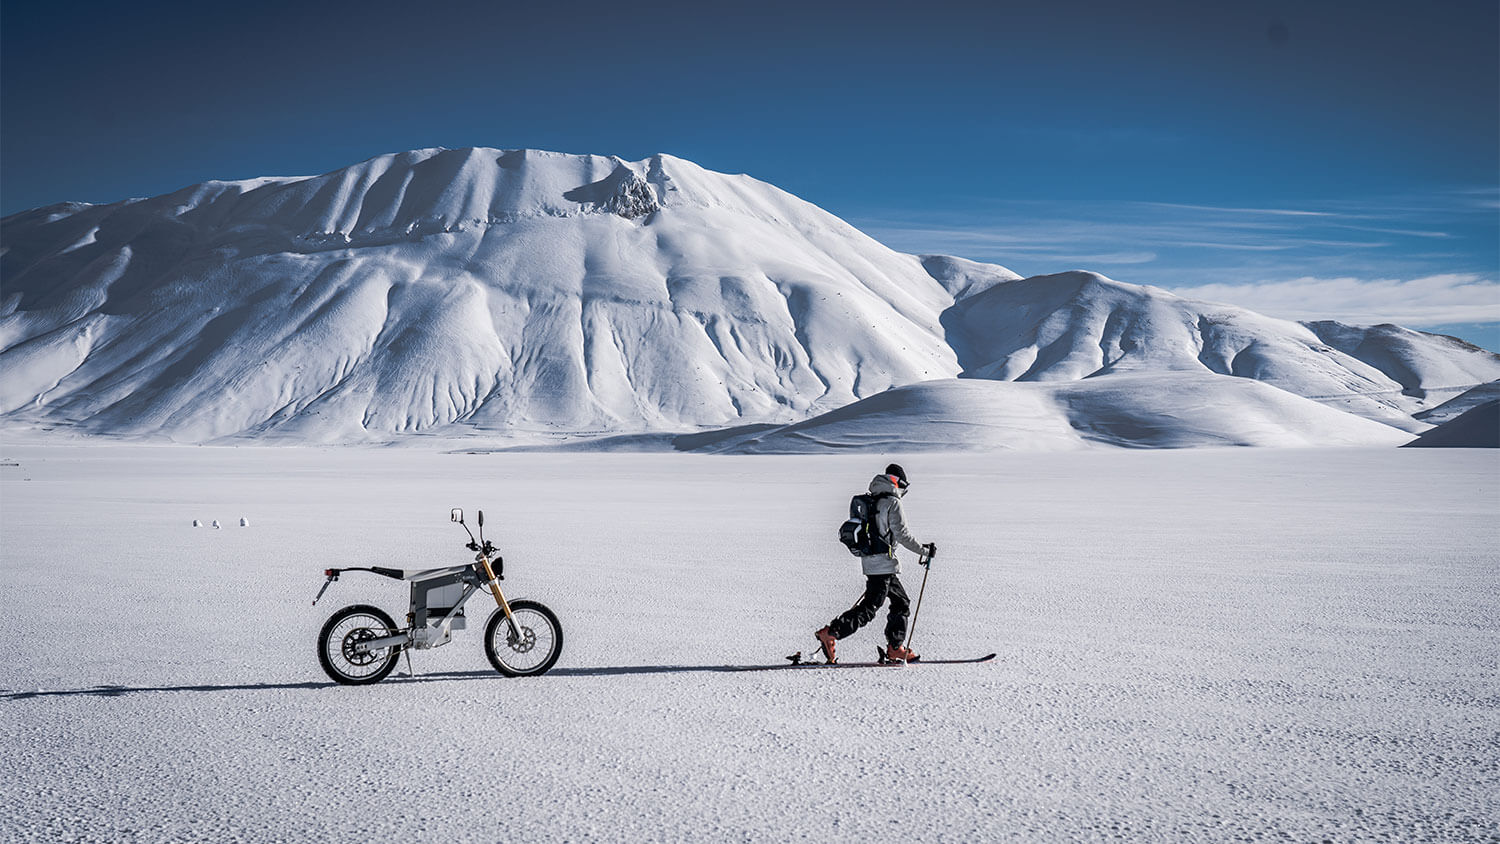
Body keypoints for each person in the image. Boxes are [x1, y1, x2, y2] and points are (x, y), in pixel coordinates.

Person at [816, 463, 936, 663]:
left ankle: (895, 647)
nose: (903, 492)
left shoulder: (869, 501)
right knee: (870, 608)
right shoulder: (892, 502)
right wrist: (924, 551)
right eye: (903, 487)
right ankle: (832, 633)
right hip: (883, 565)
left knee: (901, 602)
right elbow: (902, 535)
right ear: (898, 483)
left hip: (873, 562)